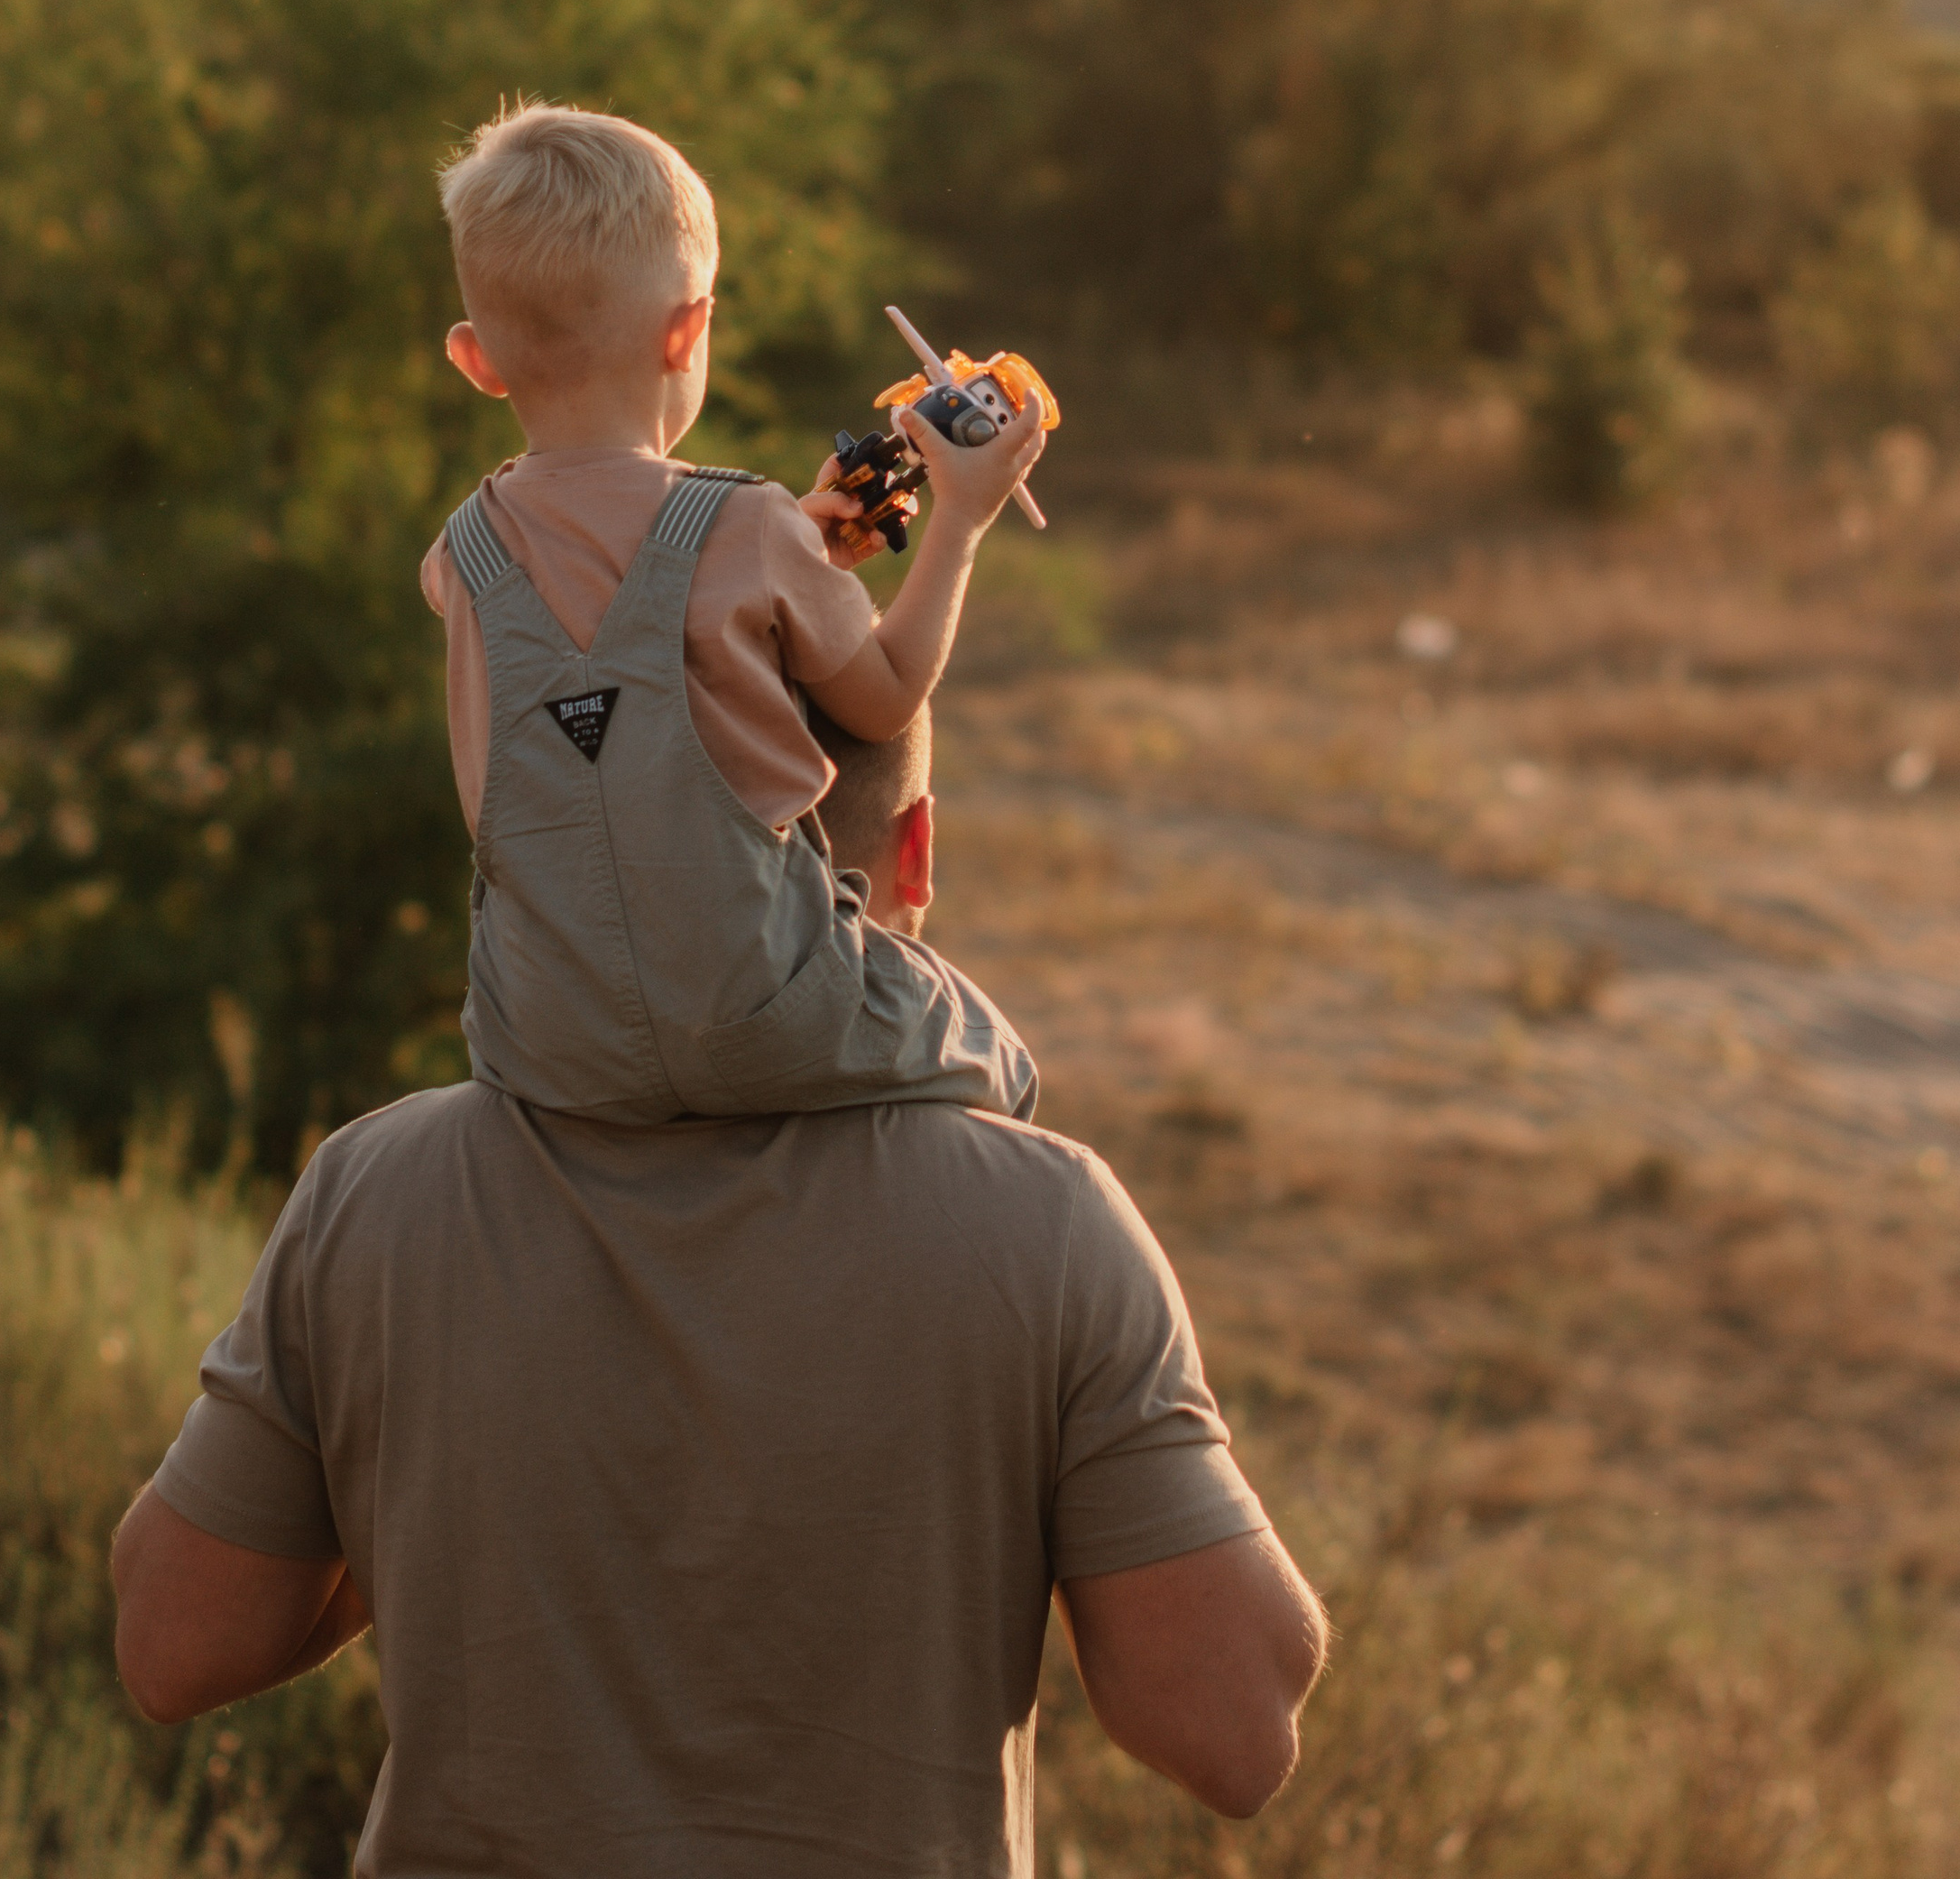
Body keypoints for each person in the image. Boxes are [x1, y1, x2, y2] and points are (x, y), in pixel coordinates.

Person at [112, 712, 1330, 1879]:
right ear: (915, 847)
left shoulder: (379, 1191)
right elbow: (1231, 1731)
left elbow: (171, 1645)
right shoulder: (1048, 1222)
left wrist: (445, 1479)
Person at [418, 100, 1045, 1123]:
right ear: (688, 331)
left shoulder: (460, 557)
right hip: (760, 1010)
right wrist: (961, 519)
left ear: (475, 358)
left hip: (541, 1036)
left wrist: (792, 552)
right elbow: (883, 700)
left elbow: (605, 676)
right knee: (994, 1054)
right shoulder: (747, 525)